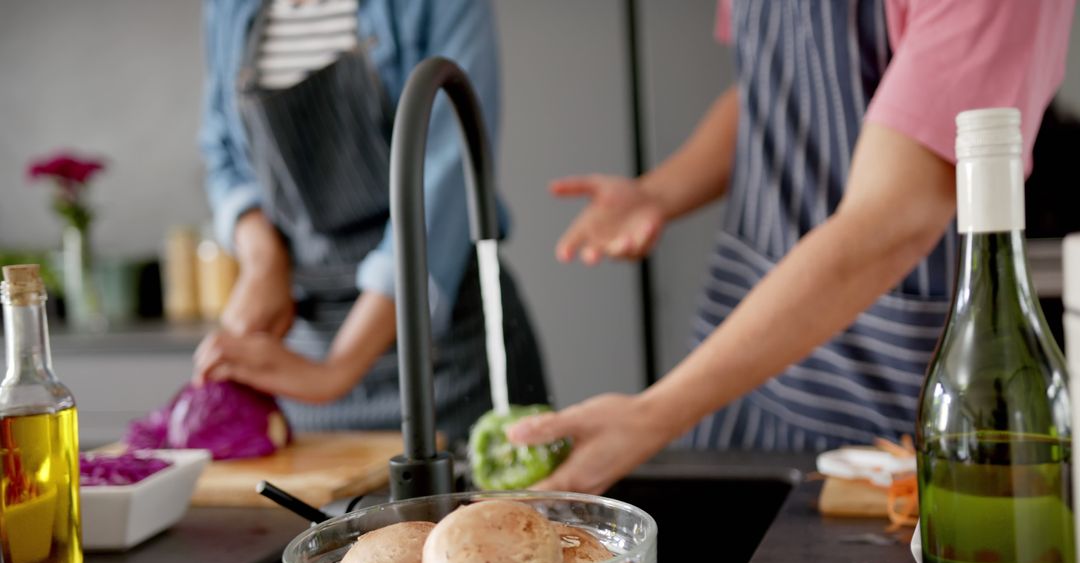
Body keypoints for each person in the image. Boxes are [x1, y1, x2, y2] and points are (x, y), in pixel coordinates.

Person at [508, 0, 1076, 494]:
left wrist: (652, 415)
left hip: (880, 393)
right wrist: (659, 192)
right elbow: (769, 85)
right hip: (735, 368)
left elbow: (891, 222)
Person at [192, 0, 549, 443]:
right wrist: (265, 261)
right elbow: (222, 152)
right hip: (302, 356)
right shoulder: (227, 8)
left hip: (446, 360)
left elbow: (446, 180)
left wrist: (336, 371)